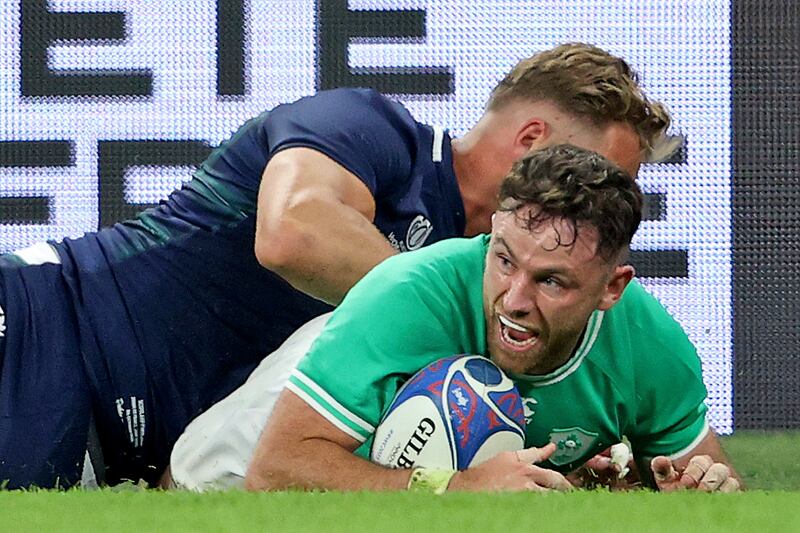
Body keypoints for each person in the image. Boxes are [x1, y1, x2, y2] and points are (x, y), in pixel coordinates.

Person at [0, 43, 672, 489]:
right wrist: (447, 312)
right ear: (534, 143)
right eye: (600, 176)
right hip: (41, 326)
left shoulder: (492, 312)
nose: (604, 211)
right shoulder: (369, 127)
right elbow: (292, 234)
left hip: (105, 456)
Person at [199, 144, 737, 494]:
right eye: (504, 260)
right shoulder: (406, 295)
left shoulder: (651, 350)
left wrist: (689, 495)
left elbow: (706, 484)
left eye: (550, 280)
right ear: (494, 230)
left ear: (611, 289)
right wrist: (458, 489)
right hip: (233, 461)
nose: (514, 299)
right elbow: (277, 470)